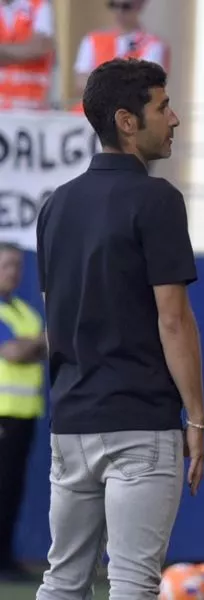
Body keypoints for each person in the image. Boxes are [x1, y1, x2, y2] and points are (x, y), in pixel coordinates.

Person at [34, 58, 204, 600]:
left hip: (71, 422)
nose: (175, 118)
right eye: (163, 107)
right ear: (127, 121)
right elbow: (173, 318)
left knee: (62, 581)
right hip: (139, 423)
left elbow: (50, 323)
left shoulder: (54, 205)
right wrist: (197, 419)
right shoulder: (158, 200)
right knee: (133, 583)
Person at [0, 243, 45, 582]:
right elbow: (14, 352)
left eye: (17, 265)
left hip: (24, 414)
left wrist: (34, 344)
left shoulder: (23, 311)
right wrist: (37, 343)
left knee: (12, 488)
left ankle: (5, 558)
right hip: (2, 414)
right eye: (6, 265)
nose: (13, 271)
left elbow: (48, 347)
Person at [71, 0, 169, 112]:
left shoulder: (154, 45)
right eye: (113, 5)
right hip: (92, 114)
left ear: (140, 5)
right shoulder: (93, 39)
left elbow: (146, 87)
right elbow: (81, 82)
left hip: (132, 116)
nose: (119, 12)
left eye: (126, 6)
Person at [0, 0, 55, 110]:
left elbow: (39, 48)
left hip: (32, 107)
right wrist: (24, 50)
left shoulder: (39, 5)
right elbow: (32, 49)